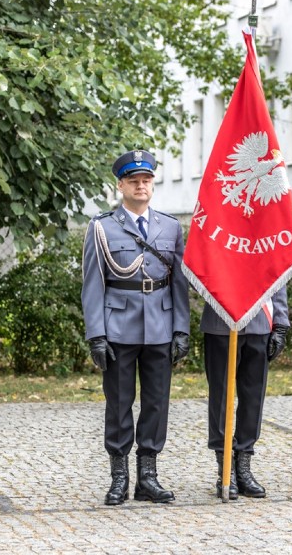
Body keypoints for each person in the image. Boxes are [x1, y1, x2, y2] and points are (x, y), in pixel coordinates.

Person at [81, 149, 190, 505]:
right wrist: (96, 334)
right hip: (118, 326)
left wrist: (181, 329)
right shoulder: (102, 227)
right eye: (134, 180)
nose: (141, 186)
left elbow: (179, 284)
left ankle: (148, 477)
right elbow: (93, 283)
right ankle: (119, 478)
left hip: (160, 323)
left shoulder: (170, 227)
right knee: (119, 402)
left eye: (146, 180)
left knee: (157, 403)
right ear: (121, 185)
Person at [201, 289, 289, 499]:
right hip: (221, 320)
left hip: (259, 320)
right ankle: (225, 469)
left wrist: (280, 322)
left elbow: (278, 271)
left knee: (253, 398)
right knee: (220, 398)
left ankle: (244, 465)